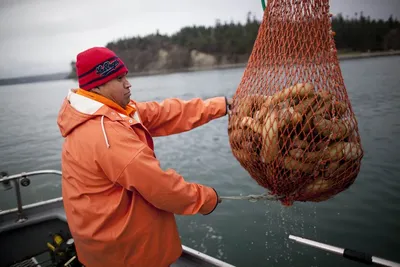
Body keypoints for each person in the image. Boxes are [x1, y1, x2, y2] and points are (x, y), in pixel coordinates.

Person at [56, 47, 232, 267]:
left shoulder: (113, 112)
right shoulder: (106, 134)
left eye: (125, 76)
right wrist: (207, 199)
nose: (128, 84)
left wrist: (220, 106)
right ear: (98, 85)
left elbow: (165, 113)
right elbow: (161, 188)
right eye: (119, 79)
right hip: (125, 255)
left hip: (104, 246)